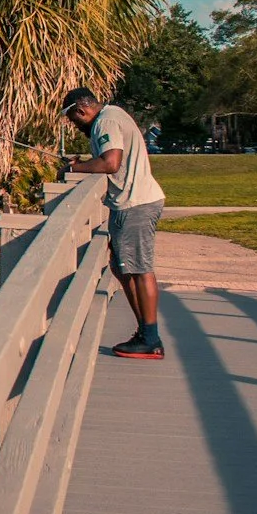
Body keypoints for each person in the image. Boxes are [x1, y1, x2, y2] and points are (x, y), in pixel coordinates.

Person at [62, 86, 168, 359]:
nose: (74, 126)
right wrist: (84, 163)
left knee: (138, 269)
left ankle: (151, 338)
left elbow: (111, 163)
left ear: (82, 109)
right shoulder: (113, 114)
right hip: (134, 204)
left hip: (136, 205)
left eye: (73, 119)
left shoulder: (105, 121)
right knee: (123, 269)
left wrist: (73, 168)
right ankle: (146, 333)